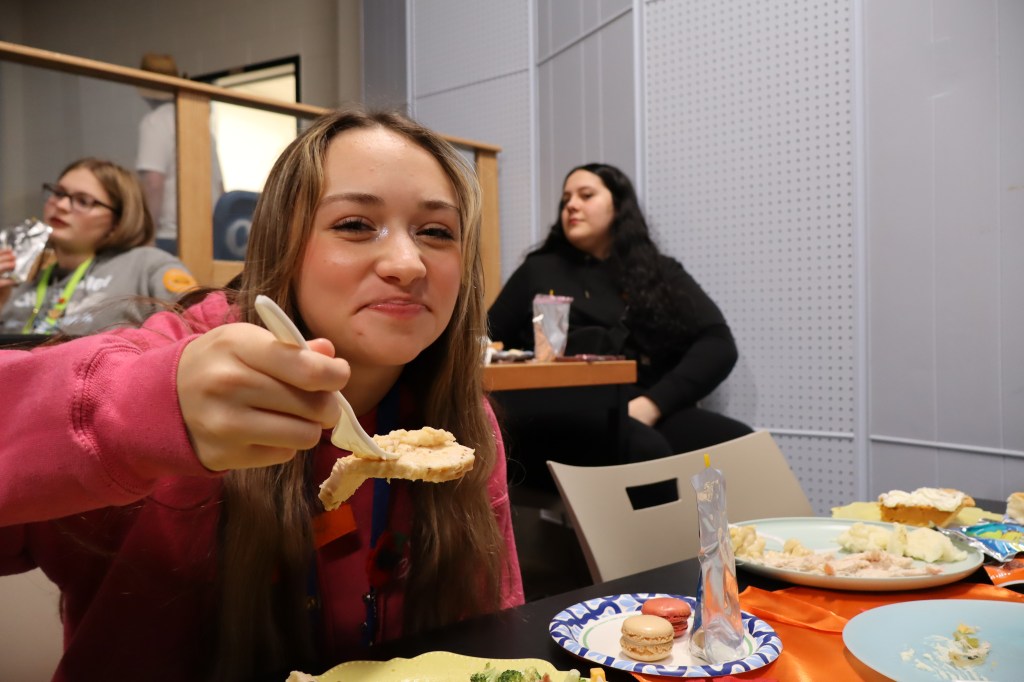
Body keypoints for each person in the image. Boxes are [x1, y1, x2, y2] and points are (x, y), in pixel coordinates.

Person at [0, 108, 523, 680]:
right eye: (354, 224)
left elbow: (491, 644)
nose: (407, 263)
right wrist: (142, 412)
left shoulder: (458, 428)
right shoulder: (170, 375)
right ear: (282, 245)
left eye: (437, 232)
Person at [488, 163, 752, 486]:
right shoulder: (538, 271)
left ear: (619, 205)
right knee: (645, 450)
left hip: (639, 404)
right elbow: (485, 342)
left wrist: (653, 404)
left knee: (739, 445)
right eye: (566, 199)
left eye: (586, 195)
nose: (571, 205)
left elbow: (718, 343)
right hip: (558, 410)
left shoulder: (657, 271)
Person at [0, 157, 198, 336]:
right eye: (59, 193)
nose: (60, 205)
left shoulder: (147, 264)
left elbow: (196, 325)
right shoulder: (20, 280)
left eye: (83, 201)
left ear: (117, 222)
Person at [136, 52, 224, 253]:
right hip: (208, 237)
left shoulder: (155, 122)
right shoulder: (199, 125)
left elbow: (153, 182)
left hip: (171, 237)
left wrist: (147, 236)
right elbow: (220, 188)